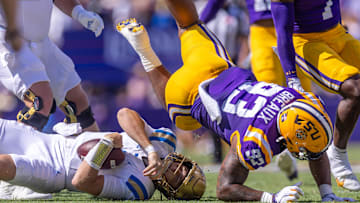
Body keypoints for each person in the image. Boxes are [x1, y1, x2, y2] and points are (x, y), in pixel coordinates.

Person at [116, 0, 354, 201]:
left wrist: (326, 195)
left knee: (188, 24)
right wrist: (268, 198)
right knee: (184, 120)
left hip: (216, 66)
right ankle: (145, 53)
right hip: (190, 97)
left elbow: (312, 145)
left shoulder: (296, 100)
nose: (310, 153)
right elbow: (224, 188)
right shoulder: (256, 142)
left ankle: (145, 47)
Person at [0, 107, 206, 200]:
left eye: (179, 178)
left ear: (170, 190)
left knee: (3, 165)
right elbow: (124, 114)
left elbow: (82, 182)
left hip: (55, 170)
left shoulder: (139, 188)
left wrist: (105, 146)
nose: (179, 169)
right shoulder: (164, 142)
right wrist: (149, 150)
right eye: (186, 169)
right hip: (48, 140)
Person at [270, 0, 360, 191]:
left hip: (338, 33)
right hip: (307, 41)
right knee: (354, 89)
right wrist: (292, 78)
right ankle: (338, 152)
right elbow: (283, 31)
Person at [0, 0, 103, 131]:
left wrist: (80, 13)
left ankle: (97, 150)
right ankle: (14, 150)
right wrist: (13, 30)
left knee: (77, 104)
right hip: (6, 37)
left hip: (40, 40)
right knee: (39, 101)